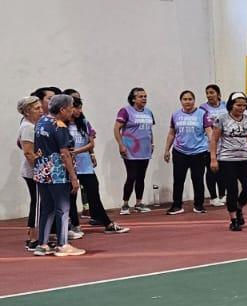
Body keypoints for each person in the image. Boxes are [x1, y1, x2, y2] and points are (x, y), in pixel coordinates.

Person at [31, 94, 83, 256]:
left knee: (46, 208)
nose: (72, 110)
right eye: (71, 107)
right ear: (62, 109)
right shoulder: (59, 126)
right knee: (62, 208)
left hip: (42, 171)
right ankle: (63, 244)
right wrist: (73, 177)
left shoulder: (41, 122)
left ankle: (43, 244)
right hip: (57, 173)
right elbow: (65, 153)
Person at [68, 93, 128, 235]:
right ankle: (74, 225)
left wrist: (80, 152)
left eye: (80, 108)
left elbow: (91, 143)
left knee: (94, 193)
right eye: (76, 108)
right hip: (70, 167)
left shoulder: (84, 123)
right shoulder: (61, 125)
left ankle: (106, 222)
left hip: (85, 166)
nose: (79, 111)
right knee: (71, 197)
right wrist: (70, 155)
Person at [208, 92, 247, 231]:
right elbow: (214, 139)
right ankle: (234, 219)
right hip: (227, 159)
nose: (241, 108)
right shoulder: (222, 119)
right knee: (232, 190)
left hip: (244, 158)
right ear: (231, 105)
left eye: (243, 105)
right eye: (238, 105)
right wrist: (213, 158)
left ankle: (239, 207)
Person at [164, 90, 210, 214]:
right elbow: (172, 133)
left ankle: (199, 205)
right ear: (181, 101)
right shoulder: (175, 115)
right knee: (178, 180)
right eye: (185, 99)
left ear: (194, 100)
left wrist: (213, 148)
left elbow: (209, 132)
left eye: (190, 99)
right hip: (180, 152)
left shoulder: (202, 114)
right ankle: (177, 205)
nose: (187, 102)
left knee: (198, 179)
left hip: (199, 152)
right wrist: (166, 150)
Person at [114, 87, 155, 214]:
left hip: (145, 150)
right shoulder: (125, 111)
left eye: (145, 96)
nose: (144, 99)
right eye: (140, 96)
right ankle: (125, 204)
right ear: (133, 99)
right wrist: (121, 144)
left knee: (141, 177)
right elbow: (116, 129)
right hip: (130, 150)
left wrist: (152, 143)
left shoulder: (148, 112)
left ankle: (139, 203)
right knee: (131, 176)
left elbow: (149, 129)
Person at [17, 96, 44, 249]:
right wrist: (39, 170)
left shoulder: (34, 124)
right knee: (37, 203)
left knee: (39, 203)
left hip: (36, 171)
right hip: (33, 172)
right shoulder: (27, 127)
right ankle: (34, 239)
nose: (41, 111)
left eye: (41, 107)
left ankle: (35, 235)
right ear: (27, 112)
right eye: (37, 109)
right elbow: (28, 153)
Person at [199, 84, 227, 205]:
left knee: (223, 171)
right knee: (211, 170)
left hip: (224, 144)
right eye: (207, 93)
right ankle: (213, 197)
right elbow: (206, 125)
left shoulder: (225, 105)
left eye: (211, 92)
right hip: (209, 143)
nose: (209, 95)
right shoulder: (203, 108)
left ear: (218, 94)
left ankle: (222, 195)